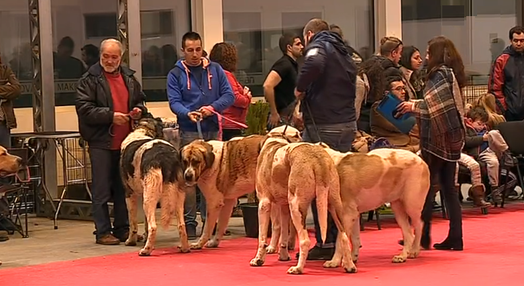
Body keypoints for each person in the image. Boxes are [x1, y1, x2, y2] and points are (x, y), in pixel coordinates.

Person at [294, 18, 358, 260]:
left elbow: (313, 63)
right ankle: (342, 240)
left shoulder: (318, 46)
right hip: (347, 124)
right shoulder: (344, 50)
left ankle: (325, 241)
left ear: (310, 34)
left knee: (318, 187)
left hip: (323, 125)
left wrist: (300, 88)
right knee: (339, 187)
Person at [397, 36, 467, 251]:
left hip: (438, 139)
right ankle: (455, 236)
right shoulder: (452, 73)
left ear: (436, 54)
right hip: (452, 137)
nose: (426, 57)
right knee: (449, 190)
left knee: (426, 188)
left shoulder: (438, 74)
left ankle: (422, 235)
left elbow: (434, 107)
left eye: (428, 53)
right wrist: (415, 104)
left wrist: (412, 106)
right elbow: (441, 105)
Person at [75, 39, 147, 245]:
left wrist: (138, 110)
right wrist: (110, 116)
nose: (109, 60)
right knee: (101, 189)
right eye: (105, 56)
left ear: (121, 57)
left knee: (124, 187)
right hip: (101, 142)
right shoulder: (88, 79)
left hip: (126, 143)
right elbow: (84, 109)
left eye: (114, 57)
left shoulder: (129, 77)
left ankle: (123, 229)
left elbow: (140, 100)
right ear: (100, 55)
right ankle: (102, 231)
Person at [167, 32, 235, 239]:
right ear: (183, 50)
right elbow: (174, 101)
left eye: (198, 49)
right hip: (189, 131)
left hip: (213, 131)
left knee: (213, 179)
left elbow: (228, 96)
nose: (195, 54)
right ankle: (189, 224)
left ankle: (210, 222)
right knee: (189, 180)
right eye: (190, 50)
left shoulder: (216, 70)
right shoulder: (175, 74)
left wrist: (212, 108)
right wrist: (187, 112)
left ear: (202, 48)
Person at [208, 42, 251, 140]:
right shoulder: (226, 75)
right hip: (231, 123)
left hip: (223, 123)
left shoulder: (214, 73)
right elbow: (235, 98)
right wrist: (247, 97)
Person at [263, 33, 303, 128]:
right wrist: (274, 113)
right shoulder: (284, 64)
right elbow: (267, 86)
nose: (302, 47)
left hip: (287, 115)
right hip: (280, 117)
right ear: (289, 47)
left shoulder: (292, 64)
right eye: (298, 44)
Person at [489, 26, 524, 121]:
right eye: (516, 40)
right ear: (510, 40)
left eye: (522, 40)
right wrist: (505, 108)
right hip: (510, 113)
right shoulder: (502, 60)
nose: (519, 43)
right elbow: (495, 88)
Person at [0, 54, 21, 148]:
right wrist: (6, 89)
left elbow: (17, 89)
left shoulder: (5, 70)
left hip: (3, 123)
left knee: (5, 156)